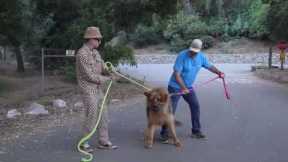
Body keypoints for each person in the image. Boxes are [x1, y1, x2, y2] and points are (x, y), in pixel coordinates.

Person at [160, 39, 224, 140]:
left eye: (195, 52)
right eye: (192, 51)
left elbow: (209, 66)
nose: (193, 53)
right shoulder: (182, 56)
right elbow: (177, 75)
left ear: (199, 50)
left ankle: (196, 131)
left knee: (195, 105)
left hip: (188, 87)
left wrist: (219, 72)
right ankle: (164, 133)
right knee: (171, 109)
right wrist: (183, 88)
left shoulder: (201, 57)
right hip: (175, 86)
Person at [76, 26, 118, 152]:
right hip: (88, 89)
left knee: (103, 114)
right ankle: (84, 143)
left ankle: (103, 141)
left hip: (98, 89)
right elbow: (89, 76)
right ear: (90, 39)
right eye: (98, 39)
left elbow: (103, 65)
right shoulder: (81, 54)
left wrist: (111, 70)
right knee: (92, 115)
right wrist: (108, 79)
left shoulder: (96, 52)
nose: (100, 42)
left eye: (99, 39)